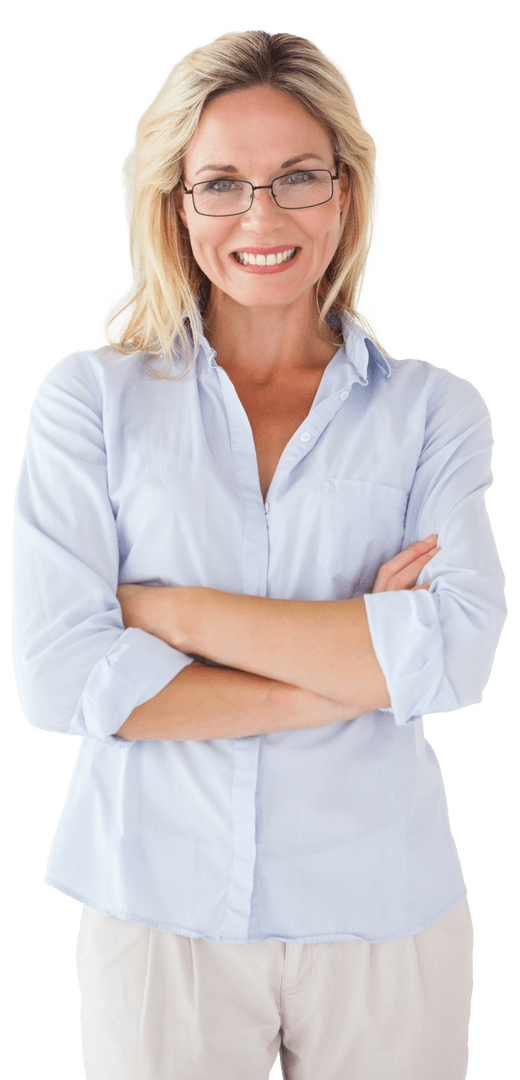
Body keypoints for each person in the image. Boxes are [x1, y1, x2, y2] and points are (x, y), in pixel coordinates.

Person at [12, 22, 507, 1080]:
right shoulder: (89, 404)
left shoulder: (432, 412)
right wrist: (353, 671)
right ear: (172, 202)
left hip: (383, 915)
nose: (262, 217)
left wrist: (168, 613)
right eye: (221, 185)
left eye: (296, 178)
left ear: (347, 191)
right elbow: (61, 679)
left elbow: (454, 656)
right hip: (159, 913)